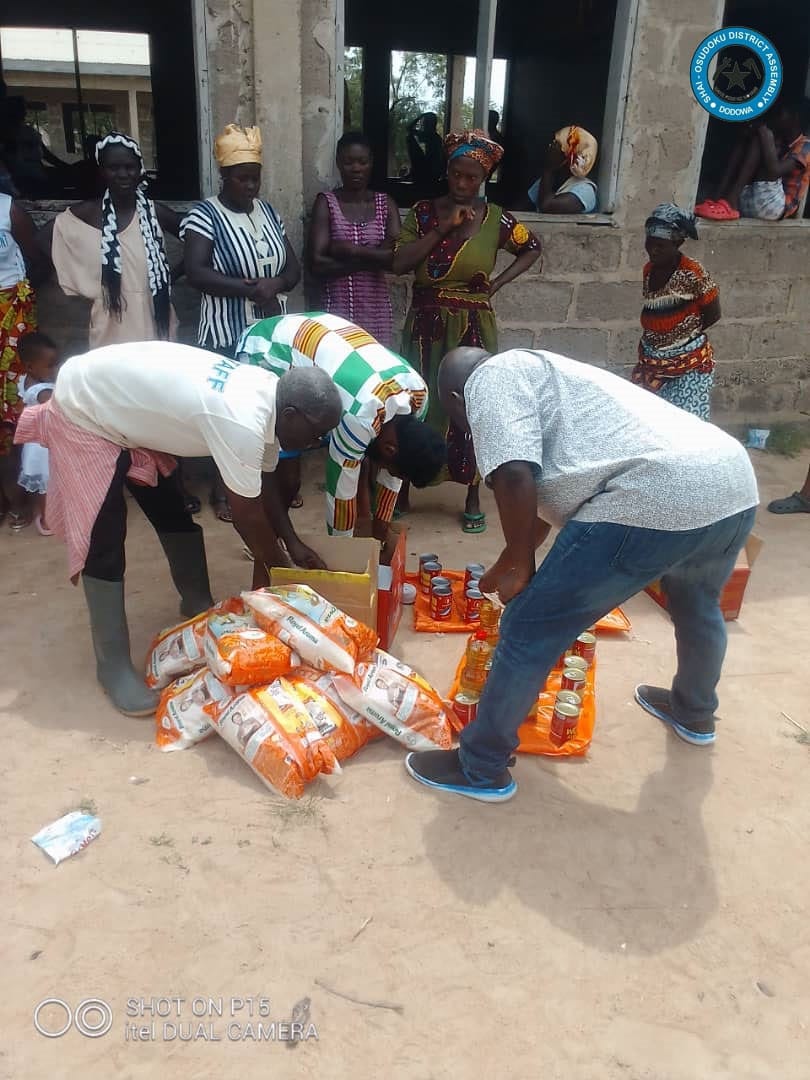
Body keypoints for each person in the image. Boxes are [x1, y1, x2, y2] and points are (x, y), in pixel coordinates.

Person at [404, 346, 759, 803]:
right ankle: (694, 712)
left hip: (653, 495)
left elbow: (514, 477)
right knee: (697, 604)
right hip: (731, 482)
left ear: (456, 395)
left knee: (529, 626)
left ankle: (481, 766)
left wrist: (525, 573)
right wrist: (507, 563)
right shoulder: (548, 375)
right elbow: (544, 504)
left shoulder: (487, 380)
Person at [13, 341, 342, 716]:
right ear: (291, 413)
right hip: (87, 409)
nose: (318, 443)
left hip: (129, 411)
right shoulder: (242, 417)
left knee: (171, 509)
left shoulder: (270, 396)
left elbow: (261, 484)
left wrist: (292, 543)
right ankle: (112, 665)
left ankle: (196, 602)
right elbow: (247, 515)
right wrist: (281, 576)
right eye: (317, 433)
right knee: (104, 540)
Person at [392, 129, 541, 533]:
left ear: (483, 180)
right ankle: (405, 483)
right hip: (425, 324)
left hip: (474, 327)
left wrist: (496, 284)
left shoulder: (498, 219)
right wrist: (442, 229)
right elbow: (400, 263)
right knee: (416, 401)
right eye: (456, 174)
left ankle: (472, 490)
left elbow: (533, 247)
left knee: (472, 405)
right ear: (447, 171)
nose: (462, 184)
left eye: (471, 177)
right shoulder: (423, 213)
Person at [236, 312, 446, 550]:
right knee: (282, 474)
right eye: (388, 466)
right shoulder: (361, 416)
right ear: (389, 448)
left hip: (317, 336)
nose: (386, 471)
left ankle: (275, 539)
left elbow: (393, 474)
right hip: (267, 350)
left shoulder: (418, 395)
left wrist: (382, 526)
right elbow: (340, 493)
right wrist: (344, 554)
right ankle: (264, 544)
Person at [182, 124, 301, 523]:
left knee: (266, 409)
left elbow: (293, 267)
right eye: (242, 178)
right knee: (228, 412)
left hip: (269, 333)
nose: (250, 185)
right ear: (224, 177)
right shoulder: (205, 215)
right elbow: (196, 273)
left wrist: (277, 283)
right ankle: (223, 491)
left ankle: (266, 487)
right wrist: (248, 289)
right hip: (226, 332)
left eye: (255, 177)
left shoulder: (267, 211)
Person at [46, 132, 179, 347]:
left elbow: (195, 235)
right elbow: (43, 239)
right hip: (110, 323)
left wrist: (170, 275)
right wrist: (79, 275)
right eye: (113, 168)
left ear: (140, 170)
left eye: (129, 167)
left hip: (155, 316)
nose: (123, 174)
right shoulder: (87, 213)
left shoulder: (155, 213)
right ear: (101, 171)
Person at [308, 132, 399, 347]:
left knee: (376, 373)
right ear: (338, 163)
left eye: (362, 162)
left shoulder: (385, 204)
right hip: (336, 314)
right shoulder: (326, 203)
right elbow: (317, 265)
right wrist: (374, 256)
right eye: (349, 162)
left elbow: (395, 258)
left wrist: (351, 250)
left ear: (371, 164)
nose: (356, 168)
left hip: (377, 316)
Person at [631, 204, 721, 420]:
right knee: (646, 421)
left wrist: (680, 336)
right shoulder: (649, 270)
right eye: (649, 243)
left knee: (684, 425)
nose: (653, 250)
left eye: (660, 245)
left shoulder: (692, 273)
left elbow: (713, 313)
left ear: (678, 243)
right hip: (652, 362)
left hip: (686, 363)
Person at [0, 191, 45, 529]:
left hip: (10, 318)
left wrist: (21, 305)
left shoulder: (8, 209)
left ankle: (26, 495)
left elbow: (36, 260)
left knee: (17, 403)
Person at [695, 101, 810, 221]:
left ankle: (730, 203)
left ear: (795, 117)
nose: (775, 118)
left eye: (780, 114)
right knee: (748, 139)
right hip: (753, 199)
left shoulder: (806, 146)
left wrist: (766, 135)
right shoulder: (781, 141)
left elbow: (775, 170)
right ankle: (718, 199)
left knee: (760, 138)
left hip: (776, 207)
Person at [17, 331, 59, 535]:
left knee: (46, 485)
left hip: (33, 444)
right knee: (46, 484)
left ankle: (43, 512)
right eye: (50, 365)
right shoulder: (42, 391)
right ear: (31, 366)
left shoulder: (26, 382)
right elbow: (57, 406)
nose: (54, 369)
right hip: (43, 447)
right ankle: (45, 517)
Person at [527, 125, 599, 213]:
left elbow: (546, 206)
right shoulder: (552, 179)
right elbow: (523, 206)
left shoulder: (585, 191)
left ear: (570, 156)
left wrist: (549, 168)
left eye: (556, 144)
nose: (550, 147)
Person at [406, 113, 445, 189]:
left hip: (430, 172)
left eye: (425, 123)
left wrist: (420, 116)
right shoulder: (434, 137)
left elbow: (409, 128)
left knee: (410, 138)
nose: (423, 125)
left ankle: (414, 173)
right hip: (431, 172)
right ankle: (413, 173)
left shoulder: (432, 137)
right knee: (410, 137)